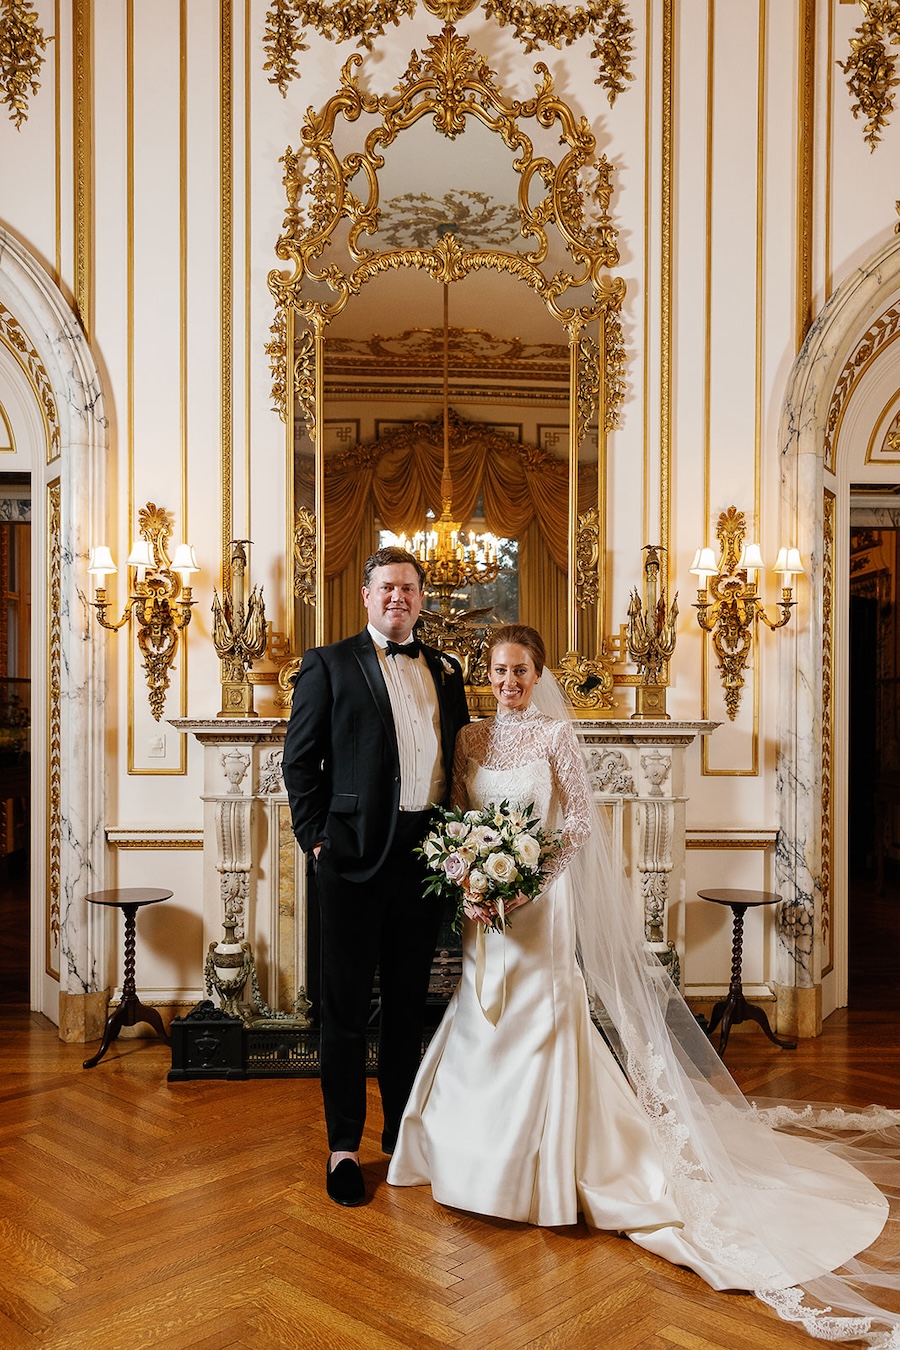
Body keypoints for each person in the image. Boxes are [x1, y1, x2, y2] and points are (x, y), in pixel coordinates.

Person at [389, 624, 900, 1346]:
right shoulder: (470, 739)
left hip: (539, 903)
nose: (508, 682)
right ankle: (470, 1163)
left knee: (540, 1022)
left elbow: (582, 825)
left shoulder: (554, 738)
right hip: (485, 909)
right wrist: (470, 880)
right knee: (479, 1019)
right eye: (499, 671)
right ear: (488, 673)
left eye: (520, 672)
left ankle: (549, 1173)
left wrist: (528, 885)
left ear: (538, 676)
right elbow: (458, 821)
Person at [282, 545, 469, 1208]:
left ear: (422, 599)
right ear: (366, 596)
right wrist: (316, 842)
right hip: (352, 860)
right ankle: (342, 1148)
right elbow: (300, 765)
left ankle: (399, 1139)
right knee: (343, 1009)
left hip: (424, 860)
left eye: (409, 589)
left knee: (408, 1008)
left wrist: (460, 844)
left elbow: (461, 761)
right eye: (387, 588)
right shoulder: (329, 664)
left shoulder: (446, 669)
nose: (399, 598)